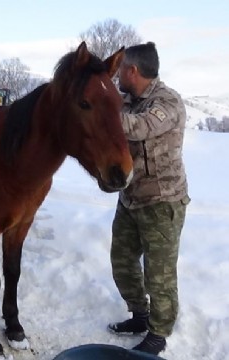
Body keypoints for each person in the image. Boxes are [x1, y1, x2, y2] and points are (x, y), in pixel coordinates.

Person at [108, 42, 189, 356]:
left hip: (161, 202)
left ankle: (158, 333)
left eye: (121, 70)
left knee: (160, 274)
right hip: (130, 198)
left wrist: (103, 107)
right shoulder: (127, 99)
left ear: (132, 71)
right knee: (122, 264)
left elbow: (139, 128)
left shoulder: (167, 102)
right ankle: (139, 315)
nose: (117, 76)